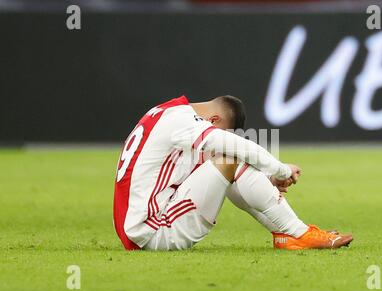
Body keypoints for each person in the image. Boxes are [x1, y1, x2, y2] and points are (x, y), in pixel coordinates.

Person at [113, 95, 353, 251]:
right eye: (221, 130)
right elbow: (234, 149)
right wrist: (280, 169)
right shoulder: (184, 121)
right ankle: (298, 233)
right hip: (153, 232)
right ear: (214, 119)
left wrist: (265, 180)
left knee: (227, 161)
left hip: (138, 228)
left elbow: (206, 169)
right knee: (231, 156)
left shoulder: (165, 112)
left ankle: (288, 234)